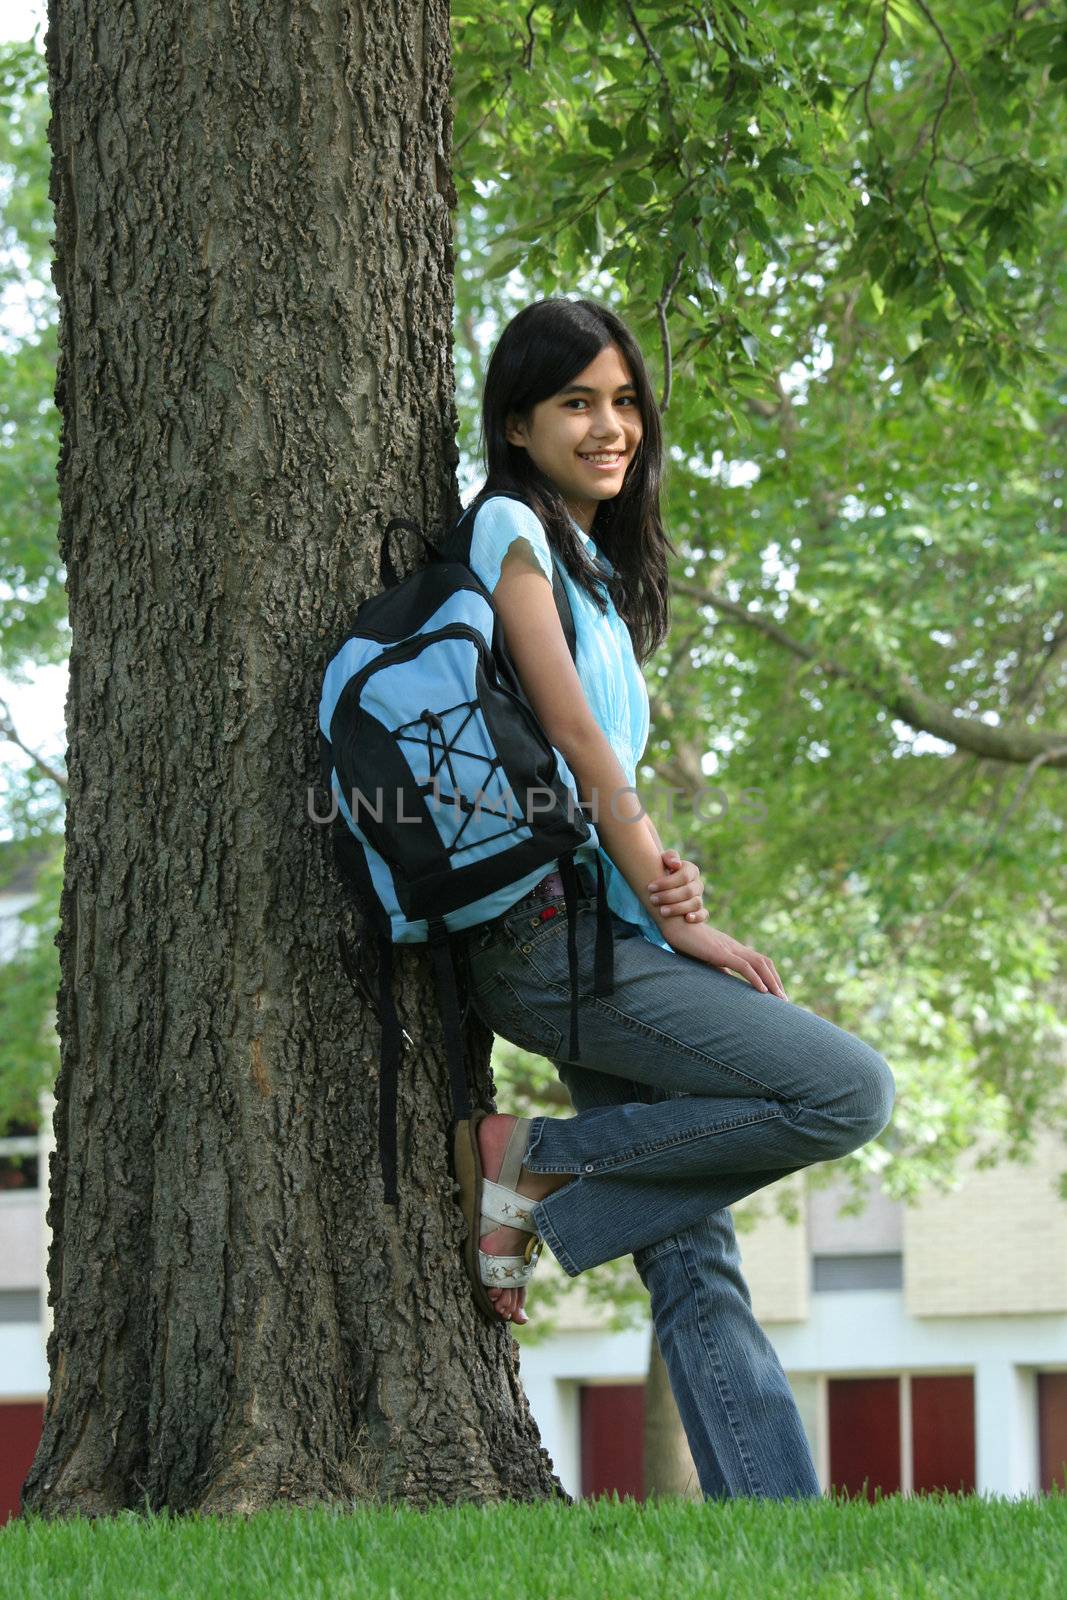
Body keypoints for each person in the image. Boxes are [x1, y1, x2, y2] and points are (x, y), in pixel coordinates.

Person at [455, 296, 895, 1500]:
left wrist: (664, 881)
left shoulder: (588, 562)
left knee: (691, 1243)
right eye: (575, 402)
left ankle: (778, 1519)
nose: (610, 426)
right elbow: (577, 739)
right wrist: (677, 909)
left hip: (606, 930)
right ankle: (532, 1159)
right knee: (846, 1091)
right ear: (515, 424)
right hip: (548, 941)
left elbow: (607, 775)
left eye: (623, 401)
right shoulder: (508, 531)